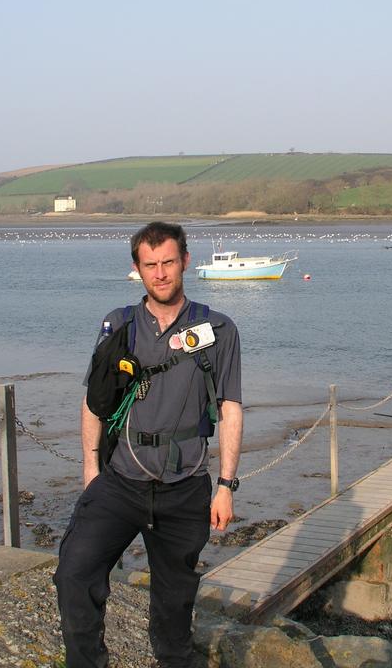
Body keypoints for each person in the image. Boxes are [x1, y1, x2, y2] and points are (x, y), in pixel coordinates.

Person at [54, 221, 244, 668]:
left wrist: (226, 485)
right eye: (150, 265)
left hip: (185, 488)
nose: (160, 274)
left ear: (185, 263)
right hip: (119, 482)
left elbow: (231, 407)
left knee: (174, 607)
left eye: (168, 263)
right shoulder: (117, 325)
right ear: (137, 269)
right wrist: (90, 472)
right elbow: (92, 402)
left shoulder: (218, 327)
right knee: (74, 575)